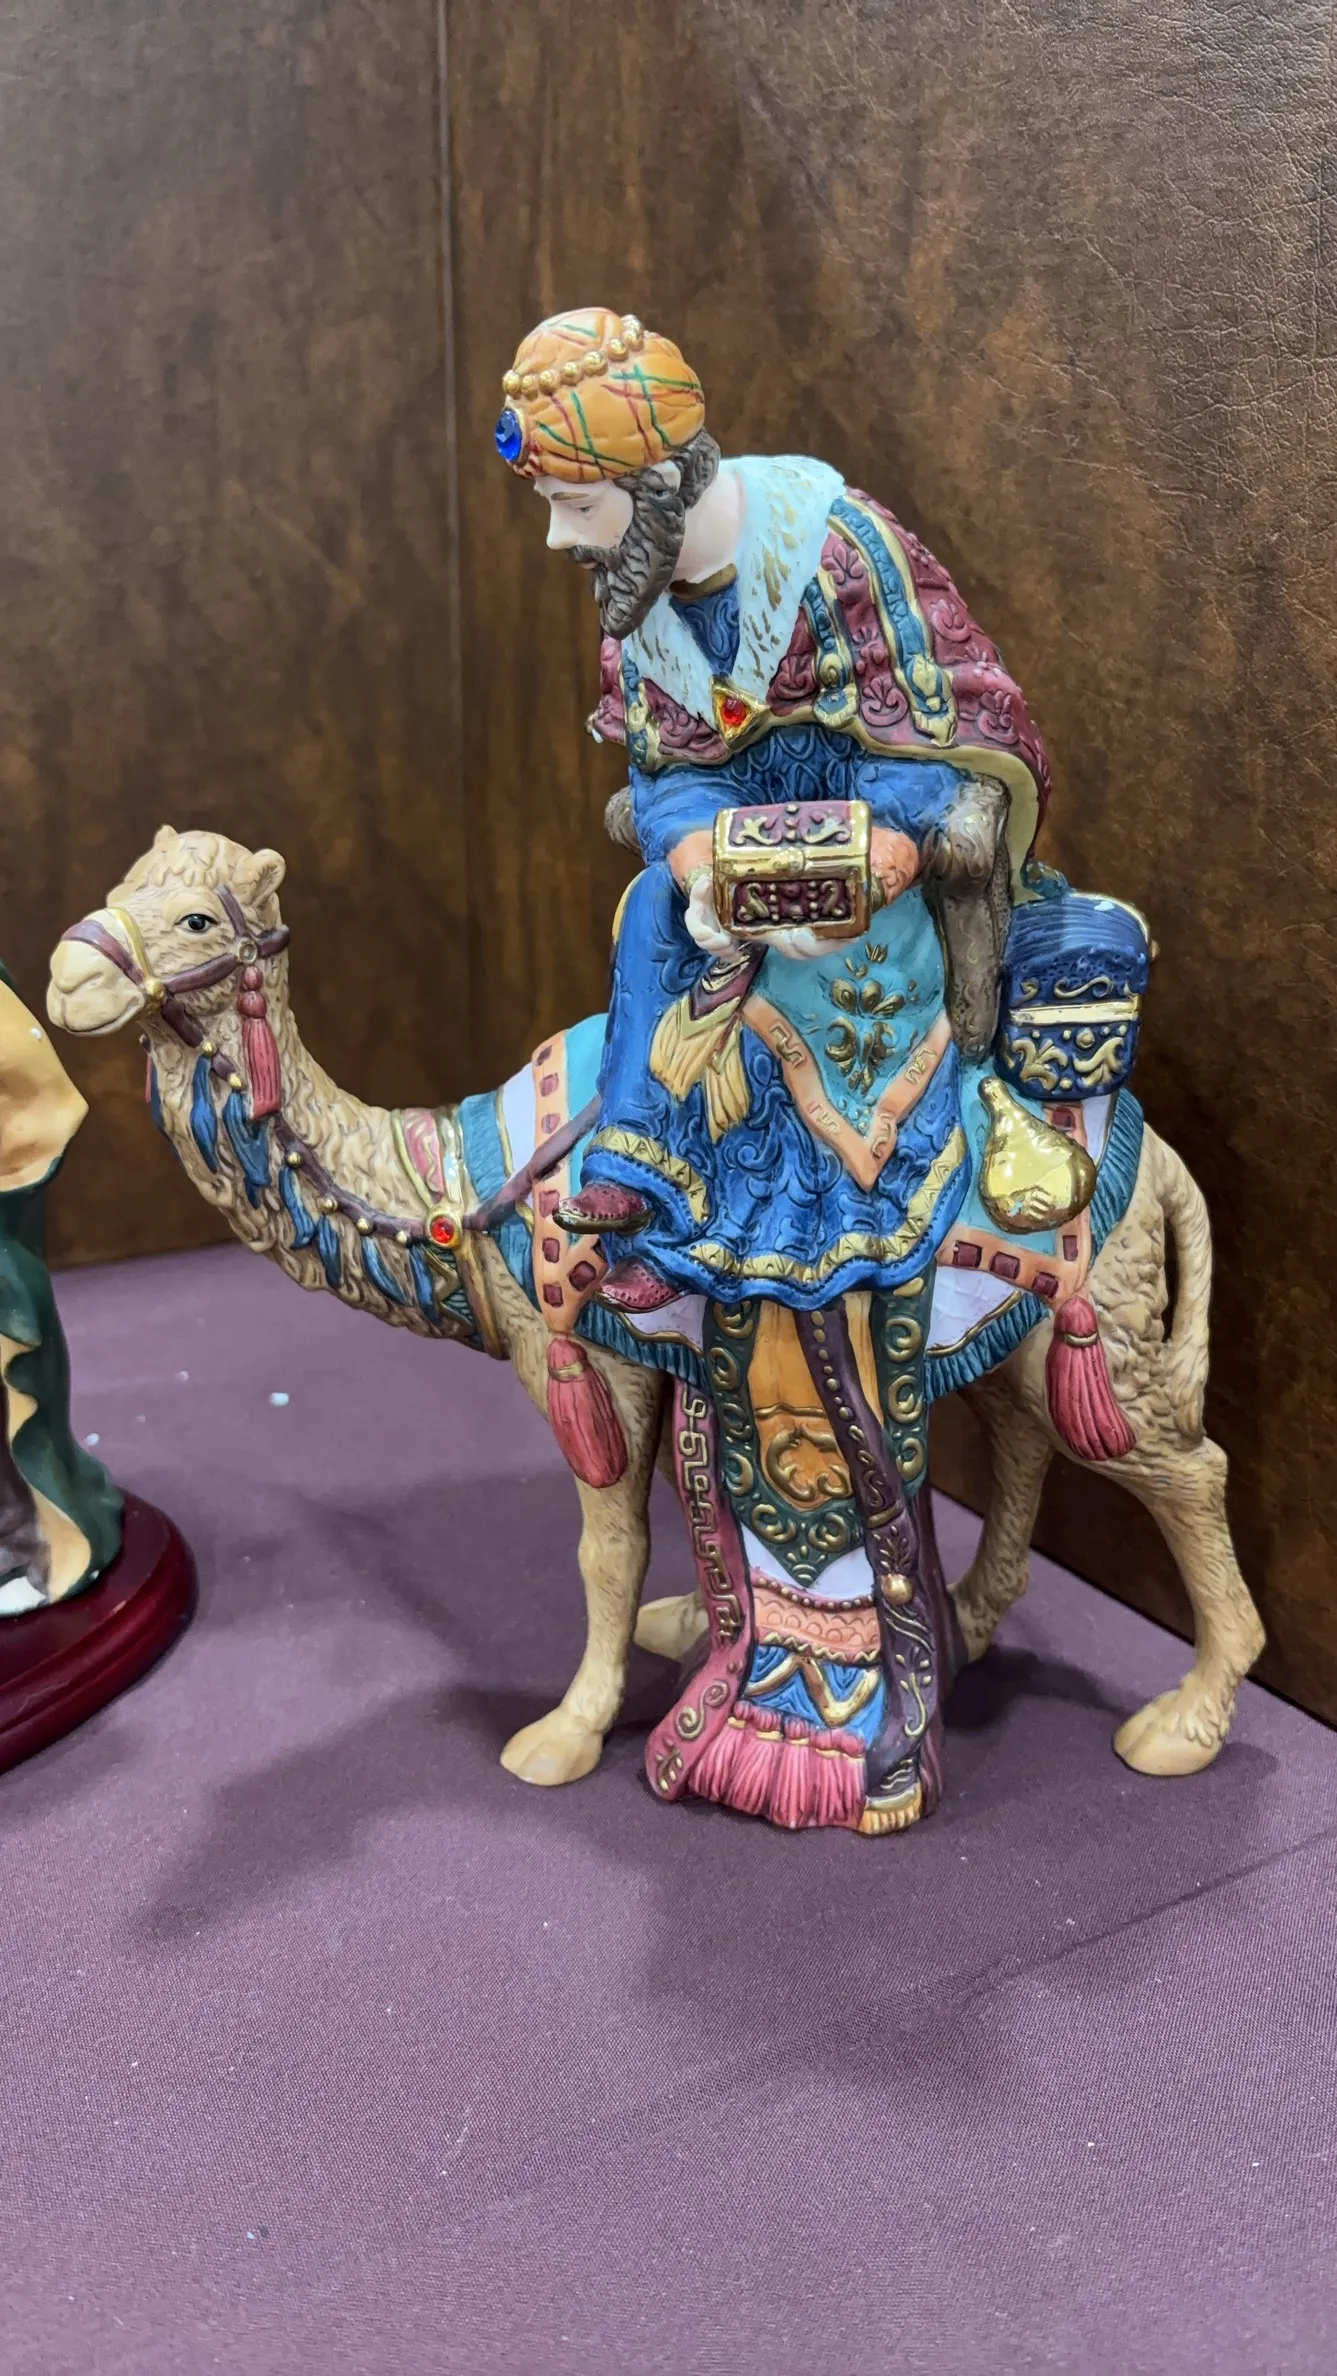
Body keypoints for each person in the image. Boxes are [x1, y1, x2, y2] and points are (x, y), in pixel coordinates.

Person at [494, 307, 1052, 1316]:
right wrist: (701, 867)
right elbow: (665, 771)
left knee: (823, 979)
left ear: (658, 487)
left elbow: (940, 736)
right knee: (654, 915)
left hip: (869, 867)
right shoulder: (637, 603)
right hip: (735, 864)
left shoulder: (838, 552)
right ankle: (643, 1184)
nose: (557, 538)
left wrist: (871, 861)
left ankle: (811, 1231)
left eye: (575, 506)